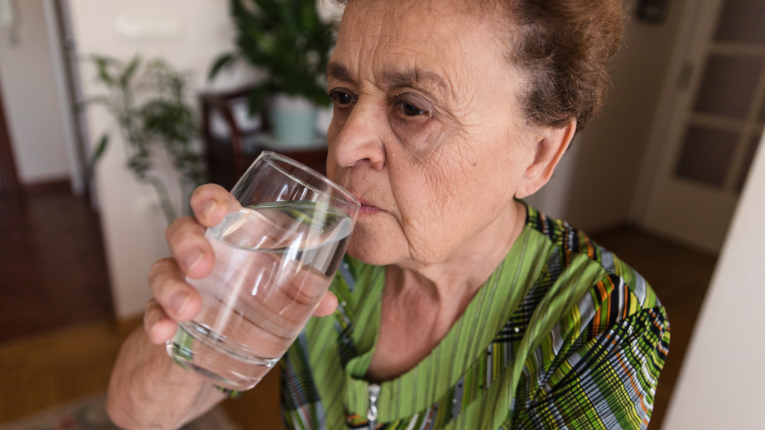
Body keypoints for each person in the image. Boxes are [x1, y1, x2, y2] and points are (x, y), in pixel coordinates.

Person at [107, 0, 670, 428]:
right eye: (344, 96)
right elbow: (134, 412)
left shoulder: (600, 320)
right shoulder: (311, 252)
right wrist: (199, 311)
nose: (346, 145)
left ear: (540, 154)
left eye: (411, 108)